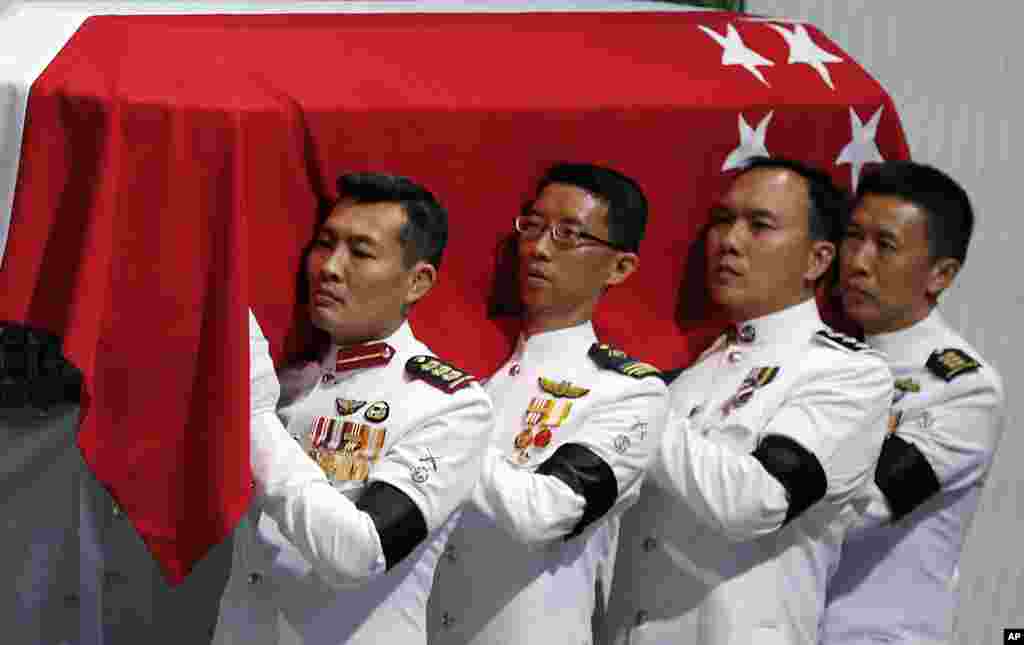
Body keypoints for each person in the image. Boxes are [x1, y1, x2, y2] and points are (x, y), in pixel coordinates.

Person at [602, 157, 893, 645]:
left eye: (759, 225)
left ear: (817, 260)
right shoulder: (693, 372)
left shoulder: (848, 375)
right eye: (722, 221)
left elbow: (754, 501)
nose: (729, 241)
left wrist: (635, 409)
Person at [213, 172, 494, 645]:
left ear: (417, 282)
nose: (330, 267)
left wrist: (257, 418)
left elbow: (360, 552)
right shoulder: (288, 377)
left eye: (360, 252)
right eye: (324, 244)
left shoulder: (450, 405)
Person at [427, 163, 669, 645]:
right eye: (533, 227)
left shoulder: (628, 392)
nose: (538, 248)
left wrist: (439, 438)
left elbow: (546, 513)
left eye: (568, 235)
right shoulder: (469, 362)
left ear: (620, 267)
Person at [822, 161, 1005, 645]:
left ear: (941, 275)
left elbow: (858, 509)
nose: (857, 262)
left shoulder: (962, 389)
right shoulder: (823, 359)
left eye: (884, 246)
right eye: (852, 237)